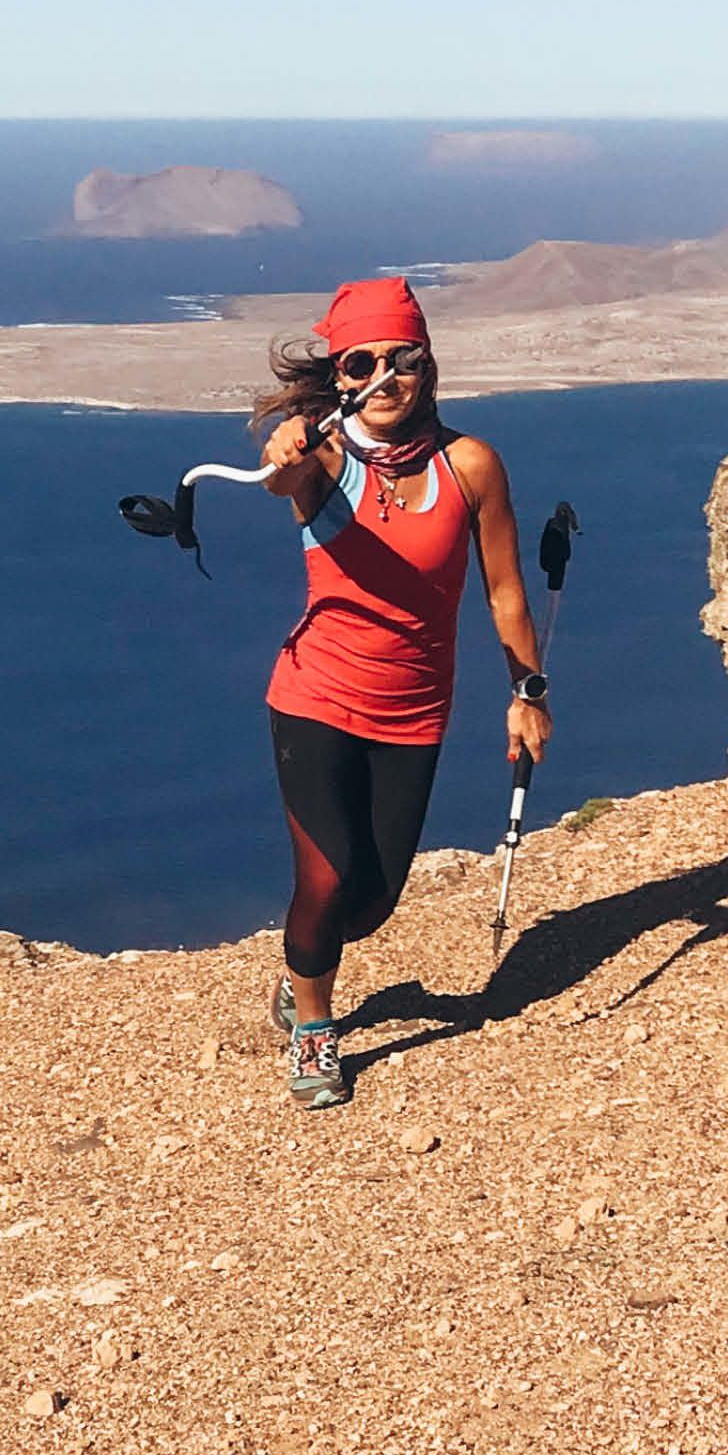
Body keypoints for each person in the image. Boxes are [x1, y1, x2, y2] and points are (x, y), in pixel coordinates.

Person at [253, 278, 551, 1108]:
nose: (384, 378)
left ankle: (301, 966)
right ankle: (314, 1027)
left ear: (426, 366)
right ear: (341, 376)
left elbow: (504, 592)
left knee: (371, 902)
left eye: (401, 360)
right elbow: (285, 482)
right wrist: (286, 450)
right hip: (313, 695)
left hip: (415, 708)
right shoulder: (322, 457)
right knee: (325, 878)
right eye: (363, 362)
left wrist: (527, 692)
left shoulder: (471, 467)